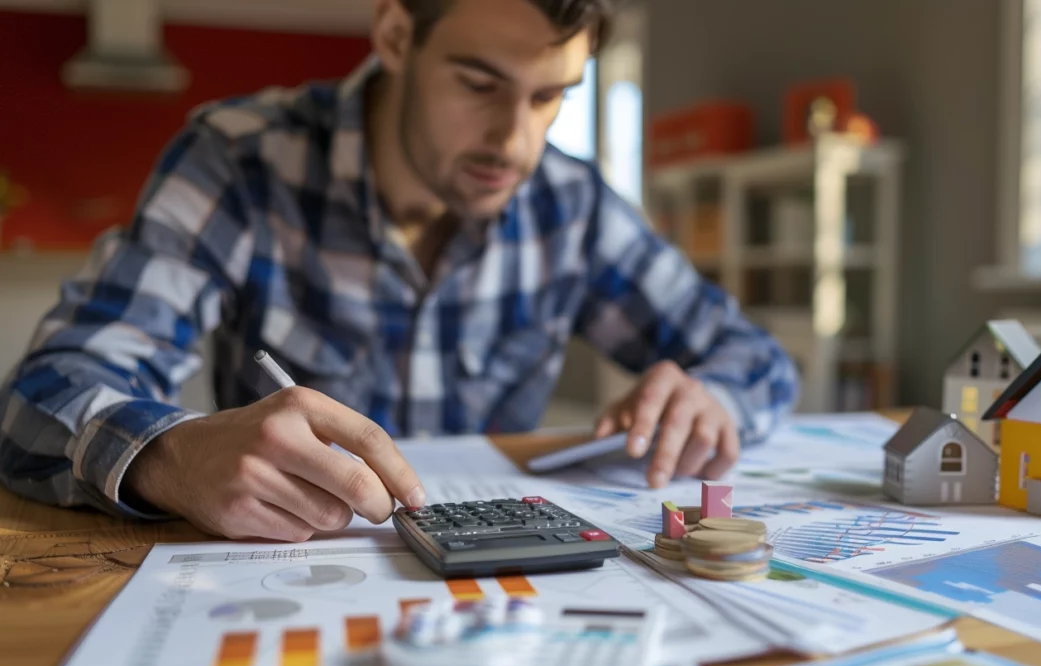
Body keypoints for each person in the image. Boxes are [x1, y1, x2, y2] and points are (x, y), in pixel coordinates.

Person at [0, 0, 799, 542]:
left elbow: (756, 359)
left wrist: (711, 397)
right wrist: (172, 454)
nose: (515, 143)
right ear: (393, 34)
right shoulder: (241, 162)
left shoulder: (572, 204)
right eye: (480, 84)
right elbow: (46, 391)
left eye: (551, 96)